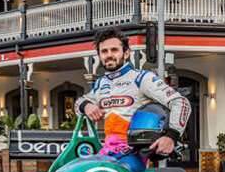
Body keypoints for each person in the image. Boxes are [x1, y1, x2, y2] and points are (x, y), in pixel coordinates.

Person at [75, 27, 190, 158]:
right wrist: (87, 106)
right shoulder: (100, 83)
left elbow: (180, 102)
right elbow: (78, 103)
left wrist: (171, 137)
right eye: (104, 51)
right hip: (107, 152)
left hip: (133, 154)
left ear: (126, 53)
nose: (109, 55)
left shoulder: (141, 78)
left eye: (114, 50)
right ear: (100, 55)